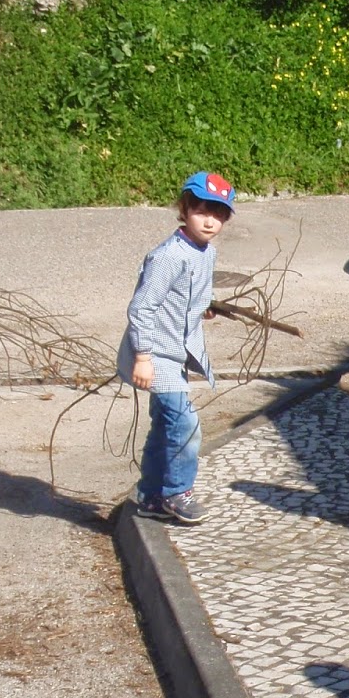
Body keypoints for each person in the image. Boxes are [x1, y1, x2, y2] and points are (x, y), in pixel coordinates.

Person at [117, 170, 235, 524]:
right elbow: (142, 309)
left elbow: (189, 296)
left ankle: (151, 496)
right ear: (184, 210)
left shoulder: (205, 252)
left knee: (164, 427)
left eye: (218, 215)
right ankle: (177, 493)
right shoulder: (169, 256)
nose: (210, 221)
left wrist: (203, 308)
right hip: (156, 355)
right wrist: (142, 357)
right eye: (201, 212)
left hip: (177, 353)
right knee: (185, 425)